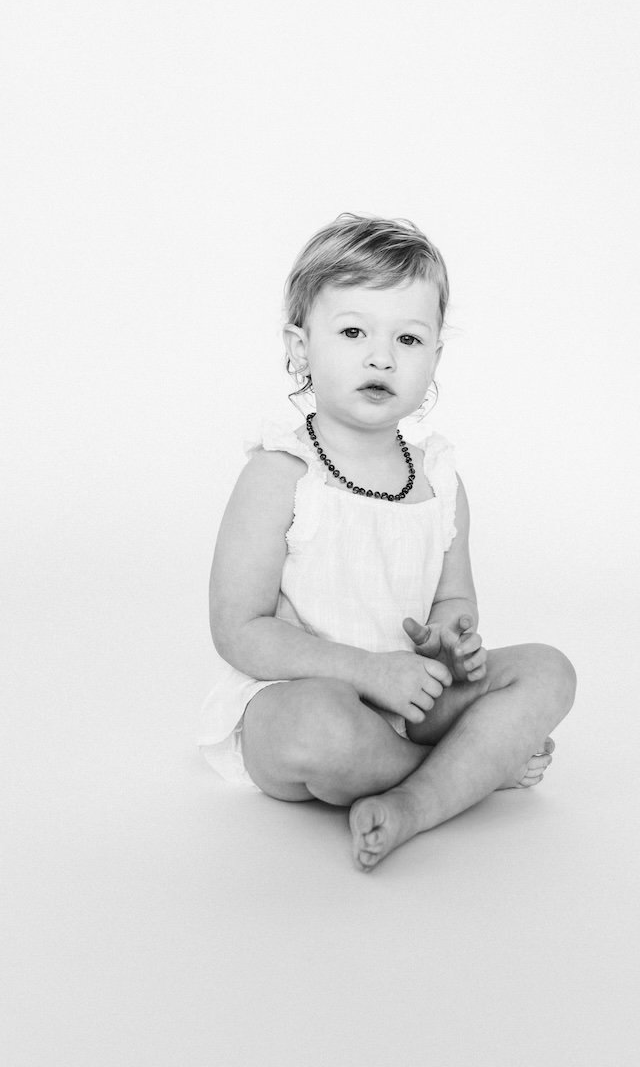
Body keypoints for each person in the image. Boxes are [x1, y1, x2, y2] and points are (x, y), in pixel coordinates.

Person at [197, 213, 577, 871]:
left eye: (408, 337)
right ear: (298, 347)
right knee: (320, 730)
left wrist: (448, 640)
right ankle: (465, 771)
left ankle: (413, 802)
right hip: (301, 695)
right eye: (352, 332)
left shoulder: (439, 481)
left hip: (410, 696)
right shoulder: (280, 473)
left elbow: (454, 599)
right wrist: (368, 671)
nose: (381, 356)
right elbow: (239, 629)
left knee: (548, 670)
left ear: (434, 357)